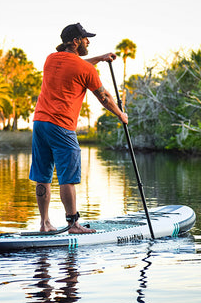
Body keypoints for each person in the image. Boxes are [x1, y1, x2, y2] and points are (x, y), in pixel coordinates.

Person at [29, 23, 129, 234]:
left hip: (40, 123)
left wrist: (100, 58)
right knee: (68, 177)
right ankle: (73, 224)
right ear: (75, 42)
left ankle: (44, 224)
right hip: (62, 127)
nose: (88, 41)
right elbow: (104, 97)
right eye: (84, 38)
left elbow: (74, 64)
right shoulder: (86, 69)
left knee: (43, 175)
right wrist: (121, 115)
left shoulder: (51, 59)